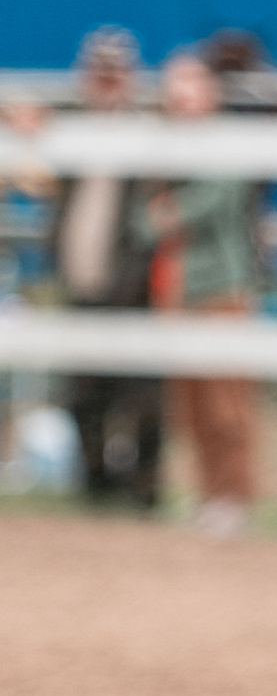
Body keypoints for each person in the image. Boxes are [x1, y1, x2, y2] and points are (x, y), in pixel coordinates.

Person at [43, 26, 163, 508]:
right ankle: (94, 483)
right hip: (80, 273)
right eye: (99, 68)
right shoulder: (69, 123)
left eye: (116, 69)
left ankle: (143, 487)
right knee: (81, 392)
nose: (107, 78)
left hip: (133, 279)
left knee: (141, 393)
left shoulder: (149, 127)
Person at [149, 48, 266, 532]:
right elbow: (141, 215)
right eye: (175, 83)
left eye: (191, 82)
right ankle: (206, 493)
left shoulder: (228, 141)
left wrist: (168, 212)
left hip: (223, 286)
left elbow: (218, 197)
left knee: (227, 399)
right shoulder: (160, 145)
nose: (182, 93)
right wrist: (162, 214)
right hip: (175, 287)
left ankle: (235, 495)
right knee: (188, 402)